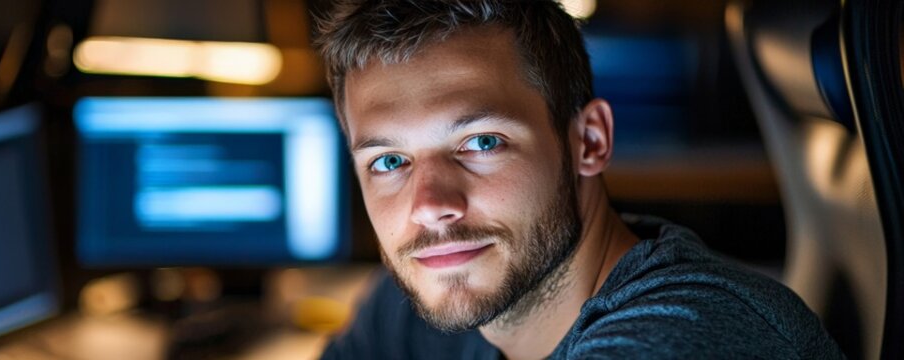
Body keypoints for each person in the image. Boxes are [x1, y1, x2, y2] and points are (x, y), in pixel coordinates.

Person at [313, 0, 844, 359]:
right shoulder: (429, 287)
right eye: (388, 161)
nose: (429, 206)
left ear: (589, 141)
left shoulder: (688, 335)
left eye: (481, 142)